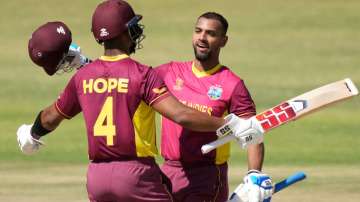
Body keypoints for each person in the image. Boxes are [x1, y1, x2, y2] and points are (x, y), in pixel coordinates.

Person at [17, 1, 264, 201]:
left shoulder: (83, 77)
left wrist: (32, 133)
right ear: (125, 32)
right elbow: (180, 115)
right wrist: (231, 125)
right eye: (133, 27)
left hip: (97, 179)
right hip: (137, 176)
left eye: (210, 33)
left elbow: (51, 116)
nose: (202, 37)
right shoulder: (144, 74)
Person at [155, 12, 273, 202]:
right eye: (198, 31)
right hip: (168, 173)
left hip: (207, 178)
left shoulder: (232, 84)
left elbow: (253, 133)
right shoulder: (168, 72)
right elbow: (132, 83)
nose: (202, 37)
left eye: (210, 33)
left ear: (223, 41)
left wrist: (253, 175)